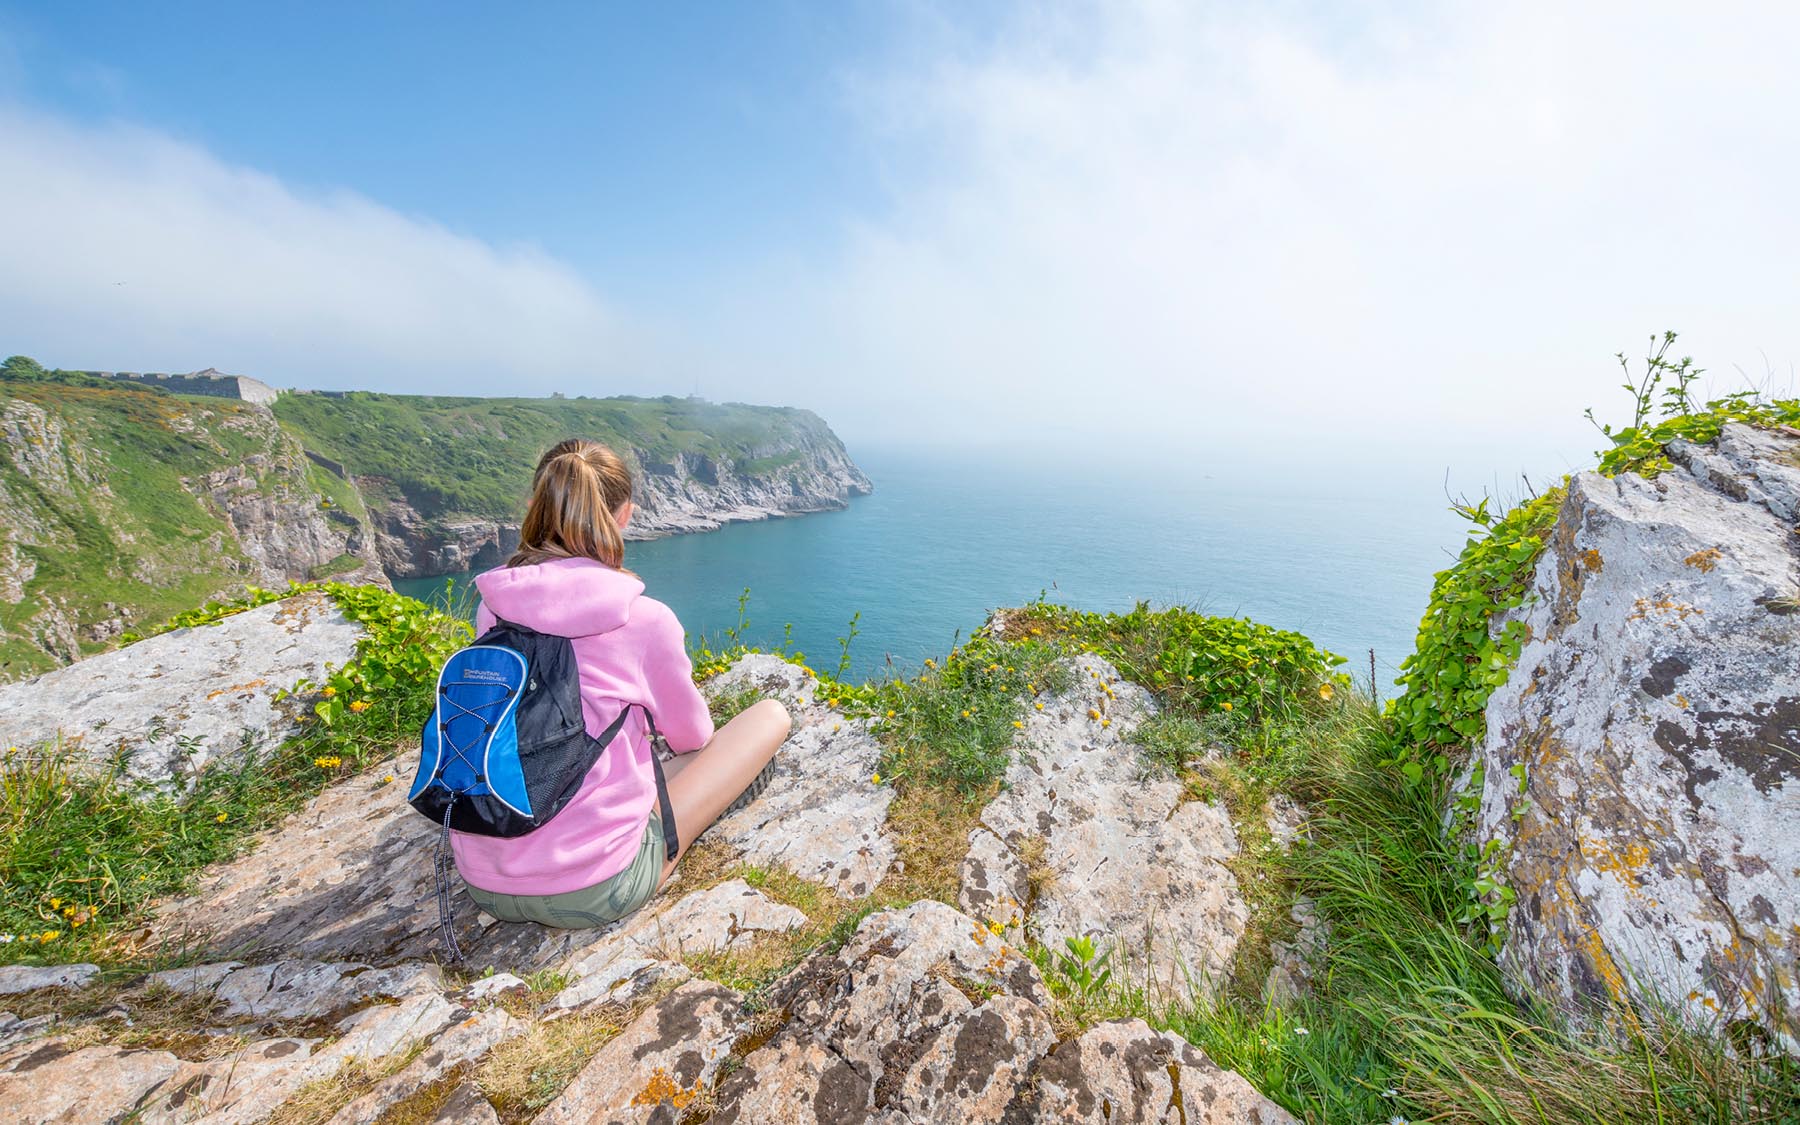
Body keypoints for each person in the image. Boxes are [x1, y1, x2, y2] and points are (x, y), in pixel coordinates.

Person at [449, 438, 791, 928]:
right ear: (625, 515)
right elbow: (692, 739)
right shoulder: (643, 620)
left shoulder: (494, 604)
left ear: (534, 509)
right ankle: (656, 849)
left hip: (484, 877)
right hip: (594, 887)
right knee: (770, 718)